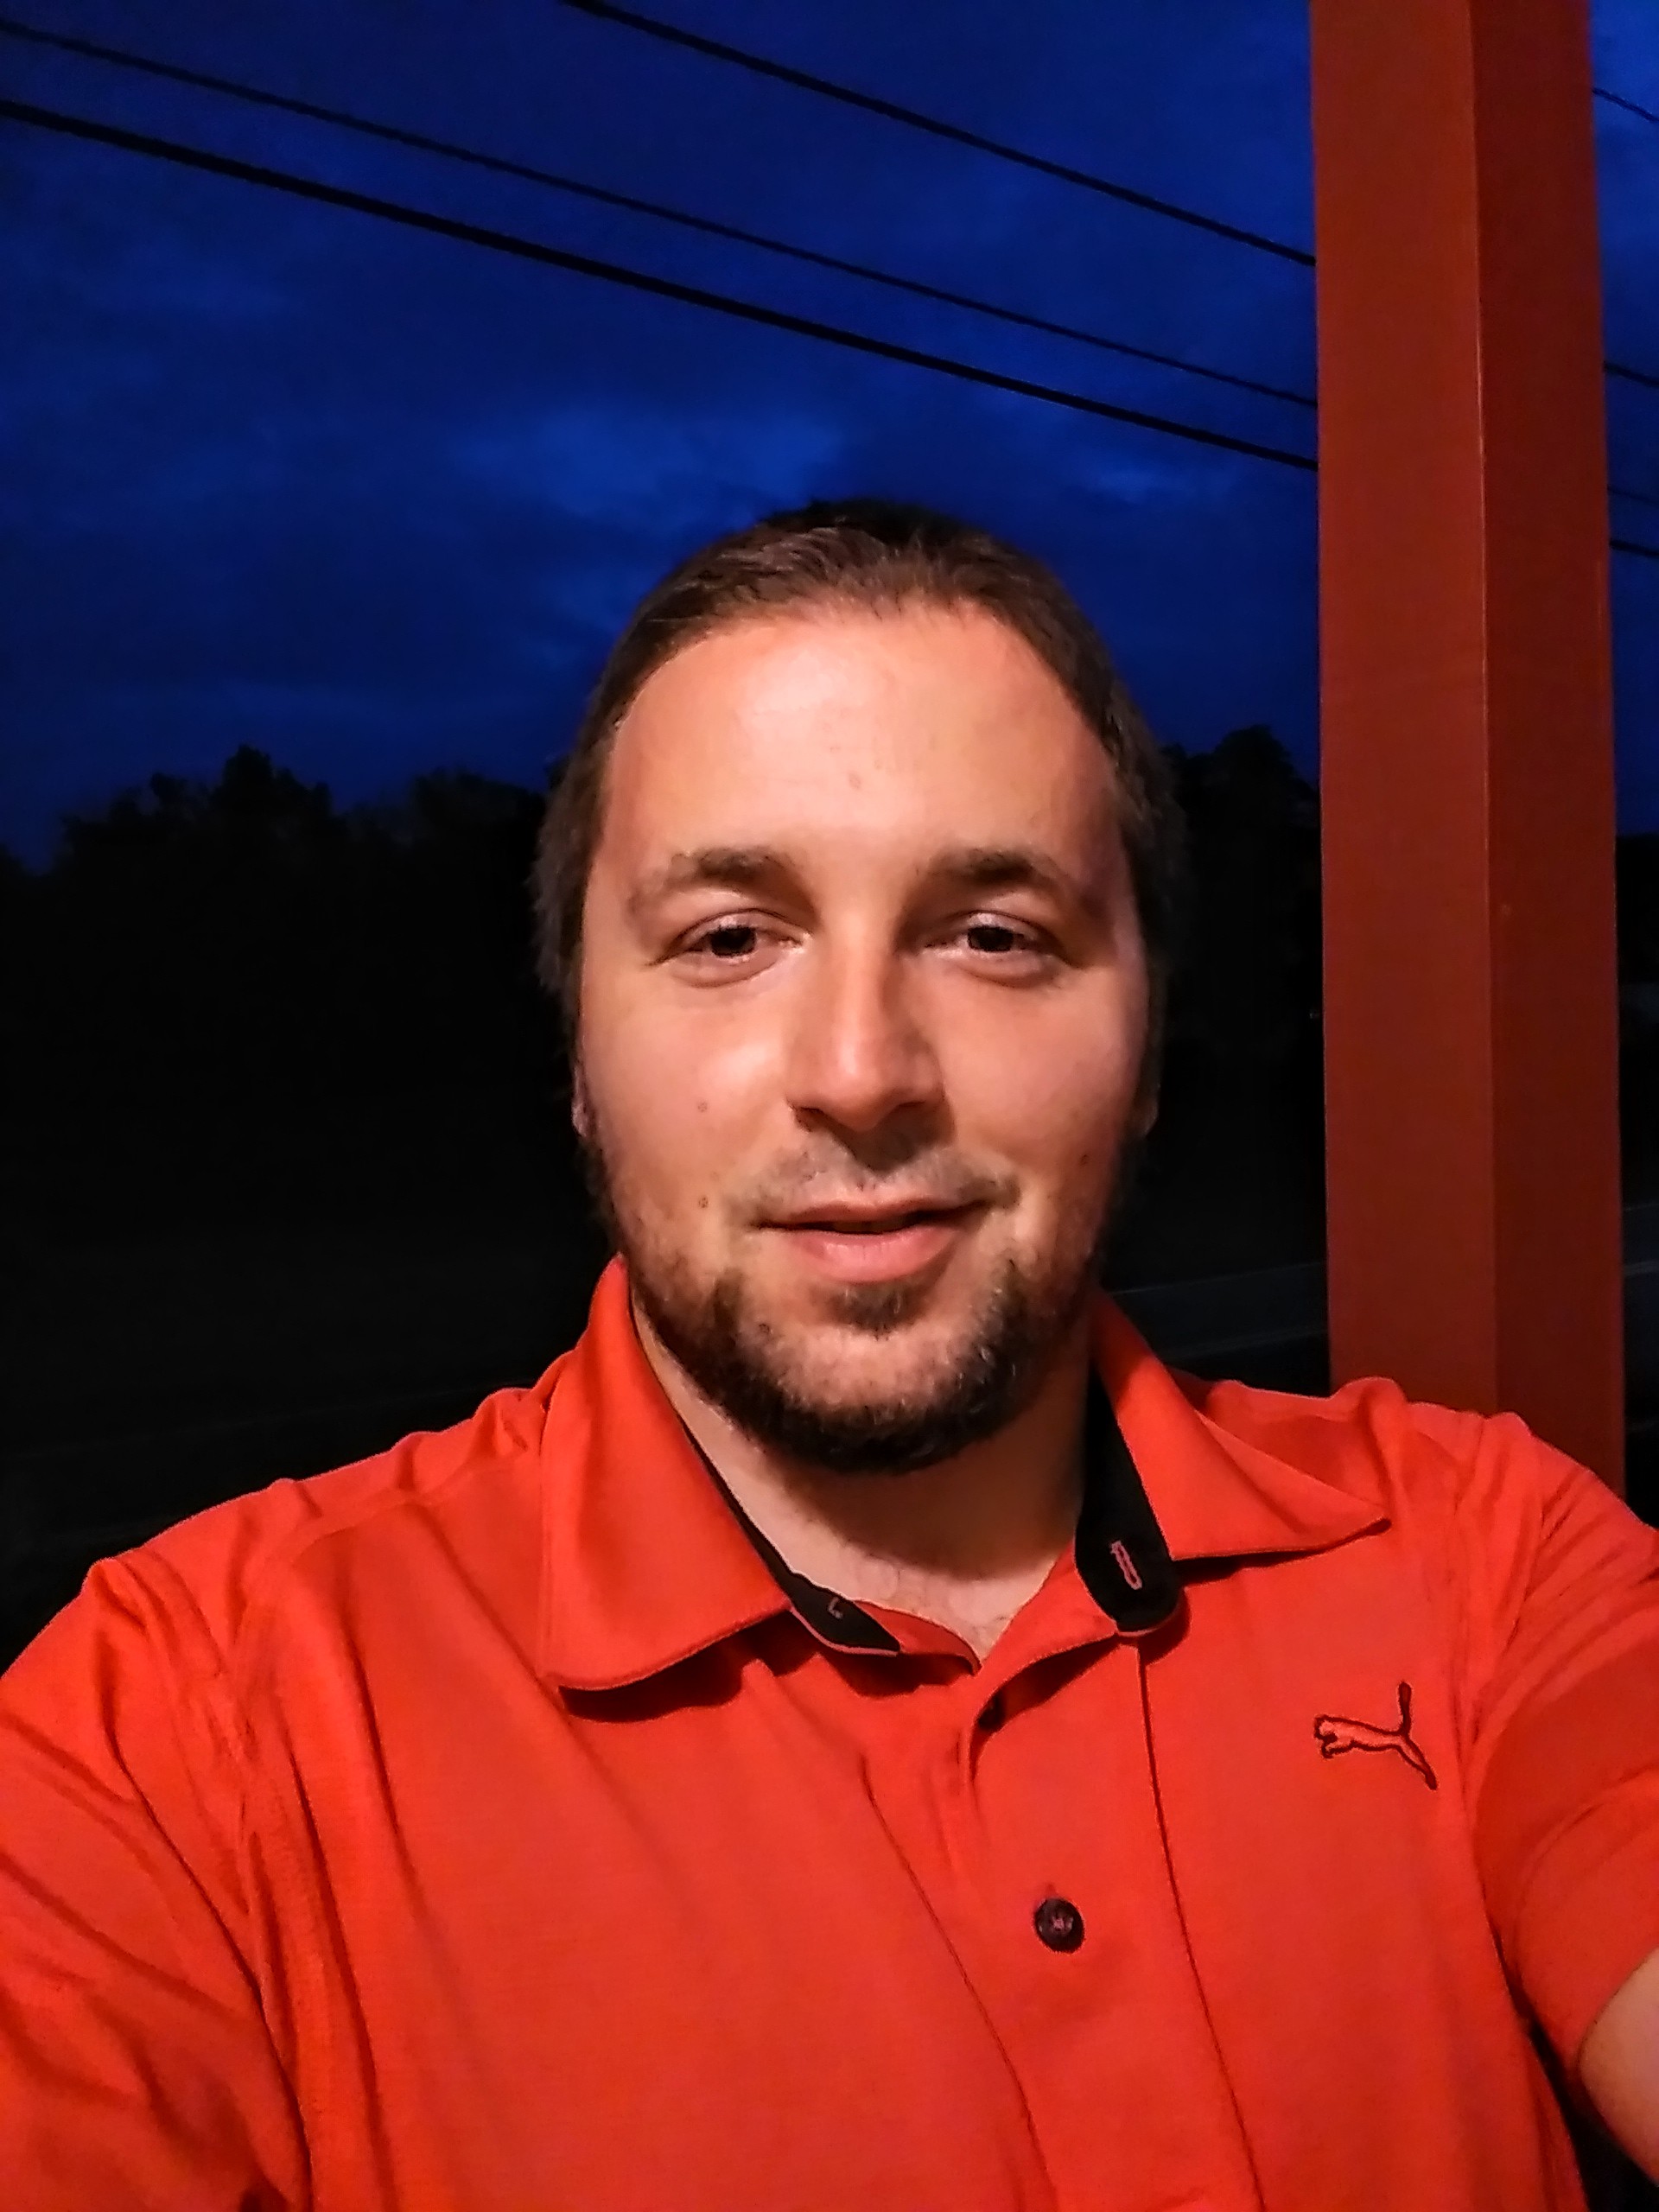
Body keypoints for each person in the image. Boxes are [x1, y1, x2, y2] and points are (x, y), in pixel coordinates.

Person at [2, 499, 1656, 2210]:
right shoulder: (176, 1733)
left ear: (1148, 1049)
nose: (861, 1069)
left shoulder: (1485, 1564)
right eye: (729, 936)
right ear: (580, 1055)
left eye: (994, 933)